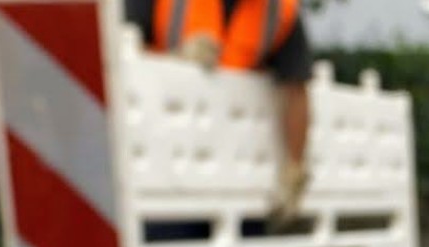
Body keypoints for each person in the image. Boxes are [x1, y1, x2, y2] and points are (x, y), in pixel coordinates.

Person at [124, 0, 312, 225]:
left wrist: (294, 170)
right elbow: (115, 46)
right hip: (160, 168)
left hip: (235, 177)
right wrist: (174, 61)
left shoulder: (279, 9)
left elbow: (295, 91)